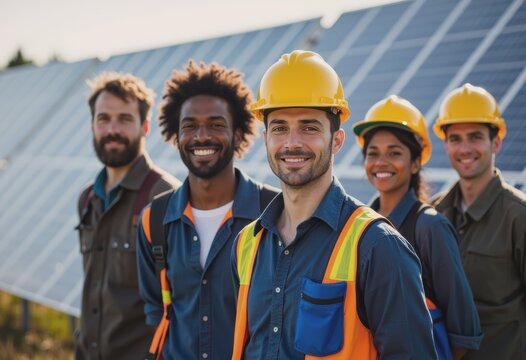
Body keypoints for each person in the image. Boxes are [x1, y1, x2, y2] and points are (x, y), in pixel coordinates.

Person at [231, 50, 436, 359]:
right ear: (265, 138)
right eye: (280, 128)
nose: (292, 142)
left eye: (309, 127)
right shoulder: (247, 244)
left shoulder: (378, 247)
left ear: (337, 140)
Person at [136, 61, 278, 360]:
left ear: (238, 134)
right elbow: (155, 312)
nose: (201, 136)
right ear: (175, 136)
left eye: (216, 124)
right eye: (189, 126)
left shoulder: (275, 213)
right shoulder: (154, 220)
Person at [353, 95, 483, 359]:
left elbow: (464, 332)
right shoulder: (357, 226)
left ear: (415, 163)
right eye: (373, 153)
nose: (381, 162)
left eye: (394, 153)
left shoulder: (431, 228)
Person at [75, 72, 181, 360]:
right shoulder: (88, 199)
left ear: (145, 126)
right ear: (92, 125)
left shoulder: (167, 198)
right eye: (104, 118)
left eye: (125, 119)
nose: (113, 129)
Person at [432, 83, 526, 359]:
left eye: (475, 137)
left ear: (495, 142)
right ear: (445, 144)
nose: (465, 148)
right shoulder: (433, 213)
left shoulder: (518, 216)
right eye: (455, 138)